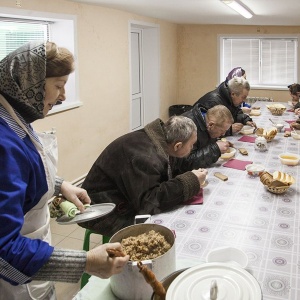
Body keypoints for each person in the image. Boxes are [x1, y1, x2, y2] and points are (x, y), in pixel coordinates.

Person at [0, 41, 129, 300]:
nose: (63, 96)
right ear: (31, 85)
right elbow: (4, 249)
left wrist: (59, 186)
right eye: (58, 86)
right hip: (14, 283)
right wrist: (85, 262)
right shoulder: (4, 144)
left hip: (34, 255)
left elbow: (24, 173)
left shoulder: (14, 118)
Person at [79, 116, 208, 237]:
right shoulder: (146, 157)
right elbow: (149, 203)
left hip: (122, 198)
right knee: (164, 233)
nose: (192, 148)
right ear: (177, 145)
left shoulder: (161, 140)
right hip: (101, 210)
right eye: (191, 145)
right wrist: (190, 181)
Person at [172, 104, 234, 171]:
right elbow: (185, 163)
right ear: (211, 125)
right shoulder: (188, 127)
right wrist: (215, 149)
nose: (223, 134)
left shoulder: (207, 120)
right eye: (222, 131)